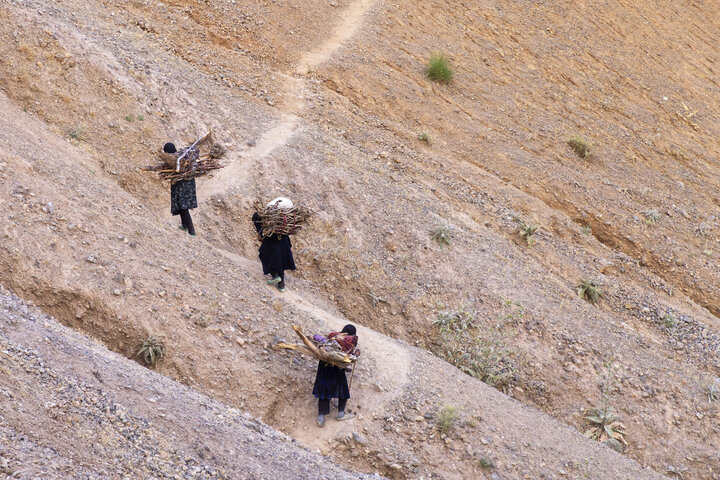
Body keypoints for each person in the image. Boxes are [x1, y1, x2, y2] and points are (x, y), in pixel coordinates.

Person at [312, 324, 358, 427]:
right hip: (336, 369)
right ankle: (341, 413)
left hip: (324, 367)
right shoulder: (349, 342)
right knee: (343, 388)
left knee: (323, 389)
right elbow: (346, 358)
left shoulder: (332, 337)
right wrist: (355, 356)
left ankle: (321, 418)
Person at [252, 198, 297, 292]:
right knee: (280, 261)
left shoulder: (262, 220)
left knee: (264, 254)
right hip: (284, 241)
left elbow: (261, 229)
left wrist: (261, 234)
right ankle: (281, 285)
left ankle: (275, 275)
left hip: (272, 240)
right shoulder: (280, 223)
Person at [164, 142, 198, 236]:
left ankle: (192, 232)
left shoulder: (173, 160)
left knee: (183, 208)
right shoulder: (181, 156)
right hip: (189, 184)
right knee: (182, 206)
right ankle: (184, 226)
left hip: (181, 186)